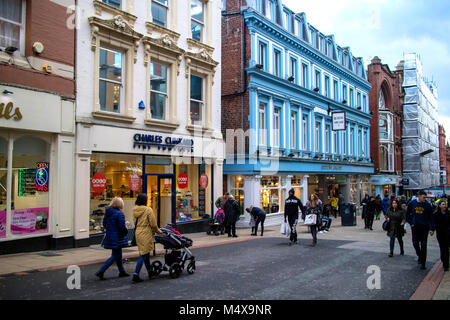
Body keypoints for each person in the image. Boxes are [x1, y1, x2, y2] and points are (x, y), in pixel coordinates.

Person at [95, 197, 130, 280]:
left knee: (118, 254)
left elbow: (104, 224)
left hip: (110, 235)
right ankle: (101, 271)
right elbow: (122, 227)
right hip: (117, 237)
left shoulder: (108, 212)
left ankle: (122, 271)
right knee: (115, 255)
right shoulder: (119, 213)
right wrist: (126, 231)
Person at [132, 193, 162, 283]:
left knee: (145, 253)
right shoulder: (148, 210)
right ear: (145, 200)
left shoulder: (135, 210)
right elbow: (153, 224)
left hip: (138, 232)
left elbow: (135, 222)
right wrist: (158, 231)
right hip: (146, 232)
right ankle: (135, 274)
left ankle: (149, 271)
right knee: (143, 254)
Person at [406, 190, 436, 270]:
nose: (424, 199)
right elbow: (407, 214)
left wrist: (432, 228)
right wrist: (411, 223)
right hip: (415, 227)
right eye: (423, 197)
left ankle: (423, 263)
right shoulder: (412, 203)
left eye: (425, 197)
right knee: (415, 243)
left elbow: (431, 217)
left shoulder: (427, 205)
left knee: (423, 245)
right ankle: (419, 255)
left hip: (424, 228)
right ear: (419, 196)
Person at [434, 200, 450, 271]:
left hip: (448, 233)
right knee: (442, 247)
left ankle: (446, 264)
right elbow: (434, 223)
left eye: (445, 204)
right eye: (443, 204)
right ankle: (443, 259)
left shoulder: (448, 213)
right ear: (439, 206)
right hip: (440, 233)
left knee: (446, 248)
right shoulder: (436, 214)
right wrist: (432, 229)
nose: (444, 206)